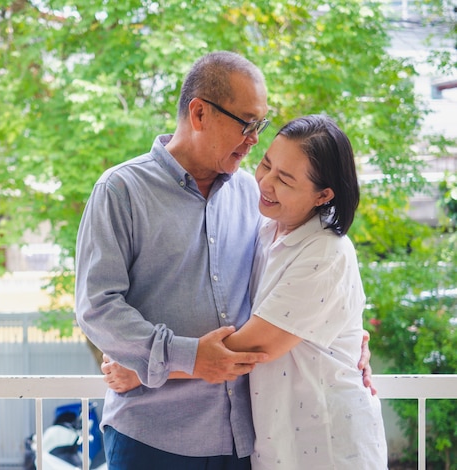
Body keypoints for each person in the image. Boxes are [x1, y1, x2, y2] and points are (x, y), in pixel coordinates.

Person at [75, 51, 372, 469]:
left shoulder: (255, 196)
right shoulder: (121, 190)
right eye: (247, 123)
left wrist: (344, 334)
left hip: (243, 441)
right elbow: (97, 307)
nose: (254, 139)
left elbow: (296, 286)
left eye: (260, 125)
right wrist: (181, 357)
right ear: (199, 113)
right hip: (153, 435)